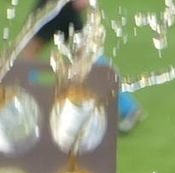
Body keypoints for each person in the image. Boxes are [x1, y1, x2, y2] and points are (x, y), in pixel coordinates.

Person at [24, 0, 143, 133]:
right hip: (55, 7)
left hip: (58, 9)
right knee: (86, 56)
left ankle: (26, 105)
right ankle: (128, 107)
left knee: (30, 53)